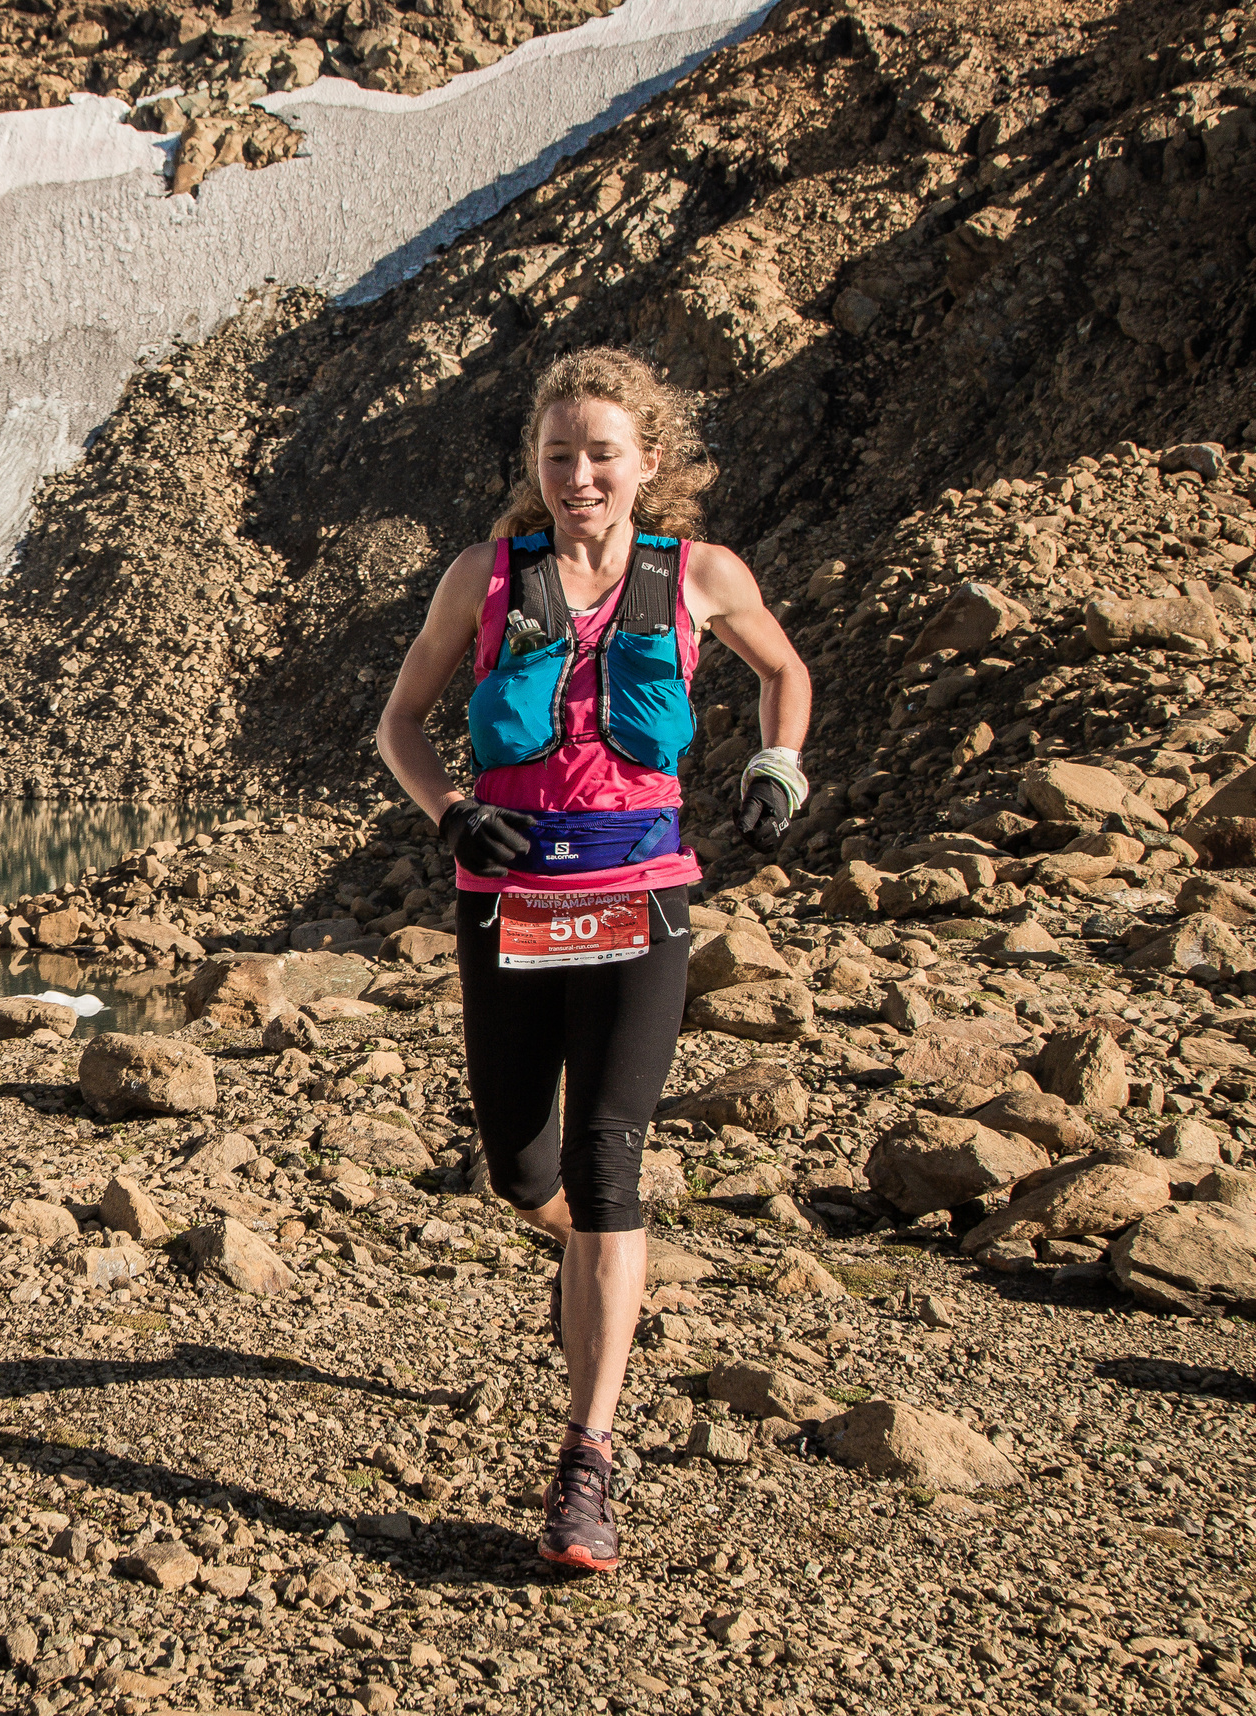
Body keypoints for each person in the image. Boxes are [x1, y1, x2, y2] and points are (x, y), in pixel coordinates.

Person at [374, 347, 811, 1573]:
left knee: (609, 1167)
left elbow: (784, 675)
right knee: (523, 1168)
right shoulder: (483, 577)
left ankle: (587, 1457)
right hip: (506, 900)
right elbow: (398, 722)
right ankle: (583, 1250)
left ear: (647, 465)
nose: (579, 475)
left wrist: (778, 767)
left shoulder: (702, 577)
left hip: (641, 899)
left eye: (602, 453)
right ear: (535, 465)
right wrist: (451, 813)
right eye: (558, 455)